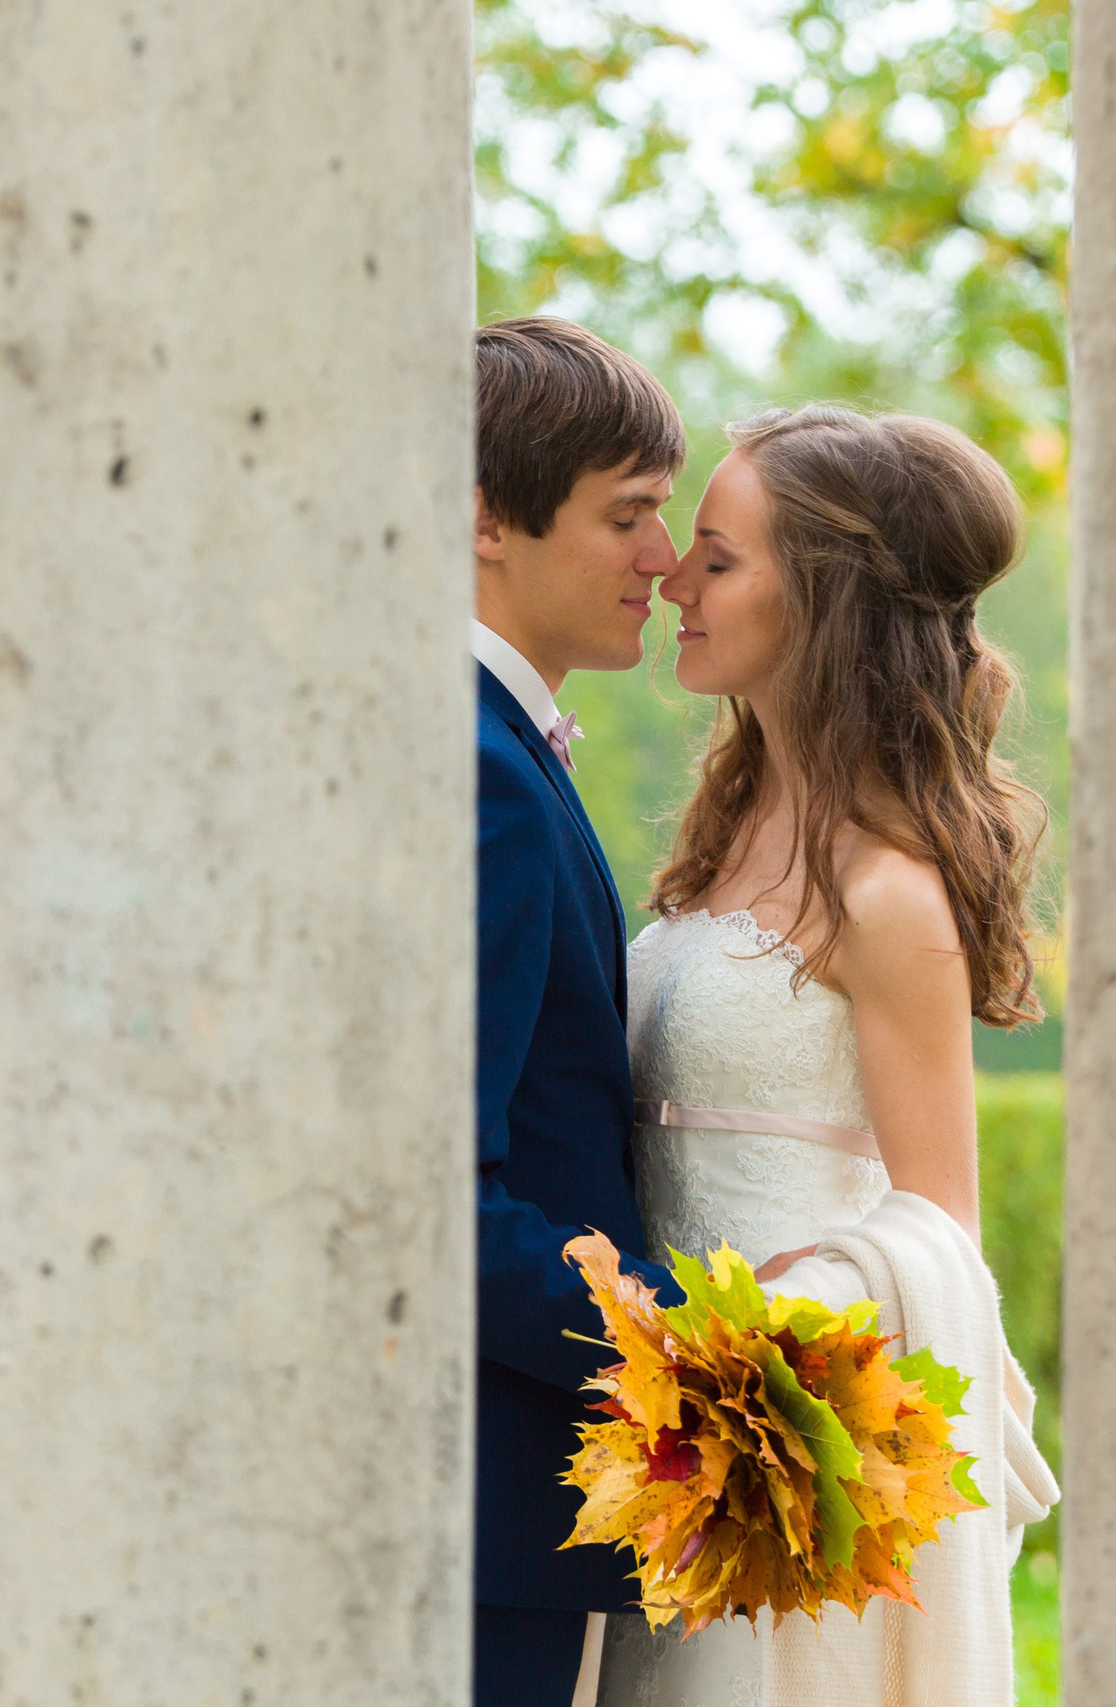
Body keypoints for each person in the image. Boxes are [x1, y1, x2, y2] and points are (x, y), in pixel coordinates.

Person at [595, 404, 1059, 1704]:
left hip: (779, 1443)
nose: (675, 583)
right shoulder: (730, 829)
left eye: (717, 559)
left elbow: (940, 1224)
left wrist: (773, 1340)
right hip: (656, 1429)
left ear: (826, 598)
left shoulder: (889, 890)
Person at [468, 316, 687, 1707]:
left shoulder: (499, 748)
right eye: (628, 516)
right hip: (488, 1526)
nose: (662, 559)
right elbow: (443, 1200)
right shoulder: (481, 775)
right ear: (488, 519)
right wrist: (696, 1345)